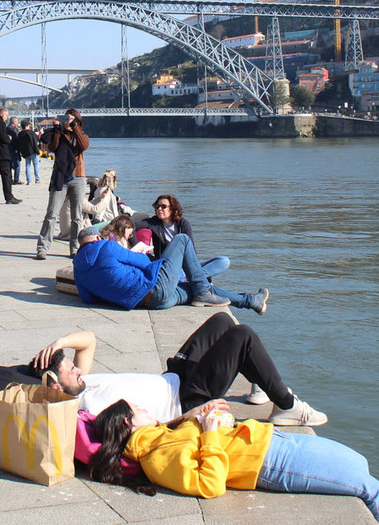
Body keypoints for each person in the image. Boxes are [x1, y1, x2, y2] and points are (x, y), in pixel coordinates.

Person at [89, 400, 379, 524]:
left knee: (360, 462)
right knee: (372, 490)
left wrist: (207, 417)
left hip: (271, 439)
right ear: (128, 422)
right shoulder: (155, 457)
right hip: (269, 462)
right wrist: (209, 433)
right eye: (138, 409)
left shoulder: (160, 436)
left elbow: (200, 438)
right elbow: (209, 485)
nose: (145, 409)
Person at [31, 314, 326, 427]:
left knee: (222, 320)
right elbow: (146, 429)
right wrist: (189, 416)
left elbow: (89, 340)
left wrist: (60, 343)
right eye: (72, 371)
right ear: (57, 388)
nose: (79, 371)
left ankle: (258, 377)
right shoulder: (90, 407)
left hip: (173, 376)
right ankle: (287, 405)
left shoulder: (81, 384)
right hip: (186, 398)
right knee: (243, 336)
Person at [73, 226, 268, 313]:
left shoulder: (78, 269)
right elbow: (142, 261)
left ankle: (251, 301)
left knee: (194, 288)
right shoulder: (107, 246)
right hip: (154, 288)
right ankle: (203, 291)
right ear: (97, 237)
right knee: (182, 239)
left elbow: (88, 299)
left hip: (150, 303)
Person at [36, 109, 89, 259]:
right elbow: (52, 148)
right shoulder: (58, 133)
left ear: (77, 121)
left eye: (70, 119)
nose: (67, 122)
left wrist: (74, 127)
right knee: (51, 213)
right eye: (65, 119)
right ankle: (42, 248)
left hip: (78, 176)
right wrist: (57, 129)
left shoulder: (81, 135)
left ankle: (75, 248)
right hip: (60, 175)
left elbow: (84, 145)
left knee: (77, 216)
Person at [14, 120, 40, 185]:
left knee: (27, 166)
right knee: (36, 166)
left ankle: (29, 181)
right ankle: (37, 180)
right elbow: (35, 141)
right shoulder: (31, 132)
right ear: (26, 126)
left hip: (25, 152)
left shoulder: (20, 134)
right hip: (33, 151)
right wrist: (37, 150)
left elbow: (19, 143)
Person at [7, 116, 22, 185]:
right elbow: (16, 139)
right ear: (14, 122)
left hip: (8, 148)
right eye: (17, 121)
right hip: (14, 149)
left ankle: (9, 179)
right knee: (17, 165)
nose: (18, 123)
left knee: (9, 165)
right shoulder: (14, 129)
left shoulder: (6, 128)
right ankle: (16, 179)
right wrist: (19, 148)